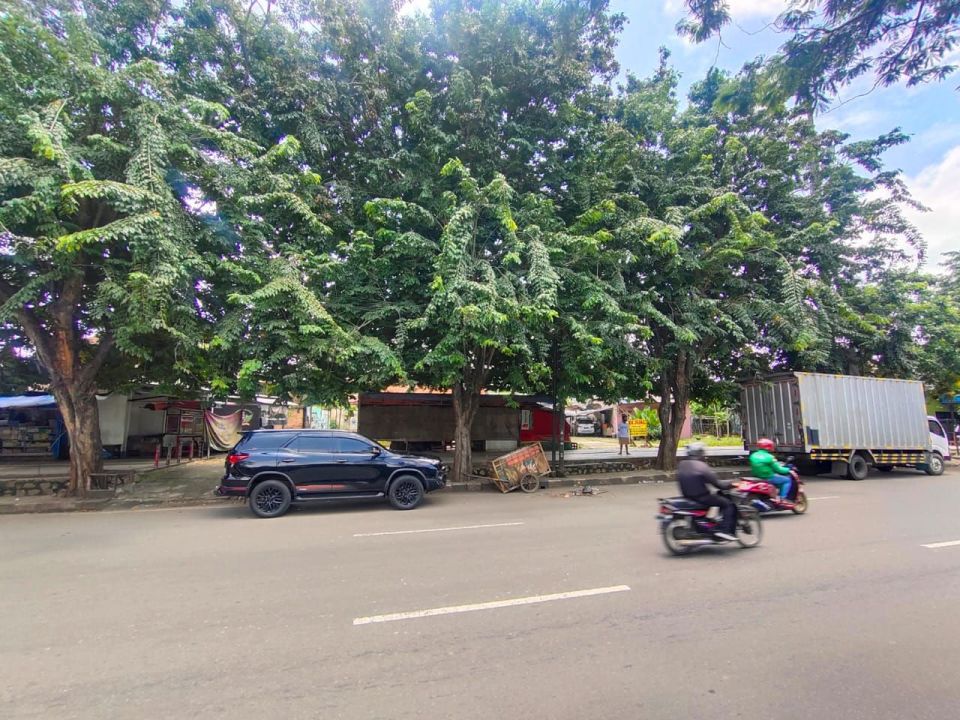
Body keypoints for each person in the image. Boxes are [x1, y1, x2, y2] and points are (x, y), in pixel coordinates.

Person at [678, 442, 738, 542]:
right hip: (701, 497)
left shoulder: (682, 464)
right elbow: (718, 484)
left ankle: (708, 524)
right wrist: (731, 483)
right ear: (700, 453)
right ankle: (725, 531)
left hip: (688, 496)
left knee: (716, 497)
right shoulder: (701, 466)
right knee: (728, 504)